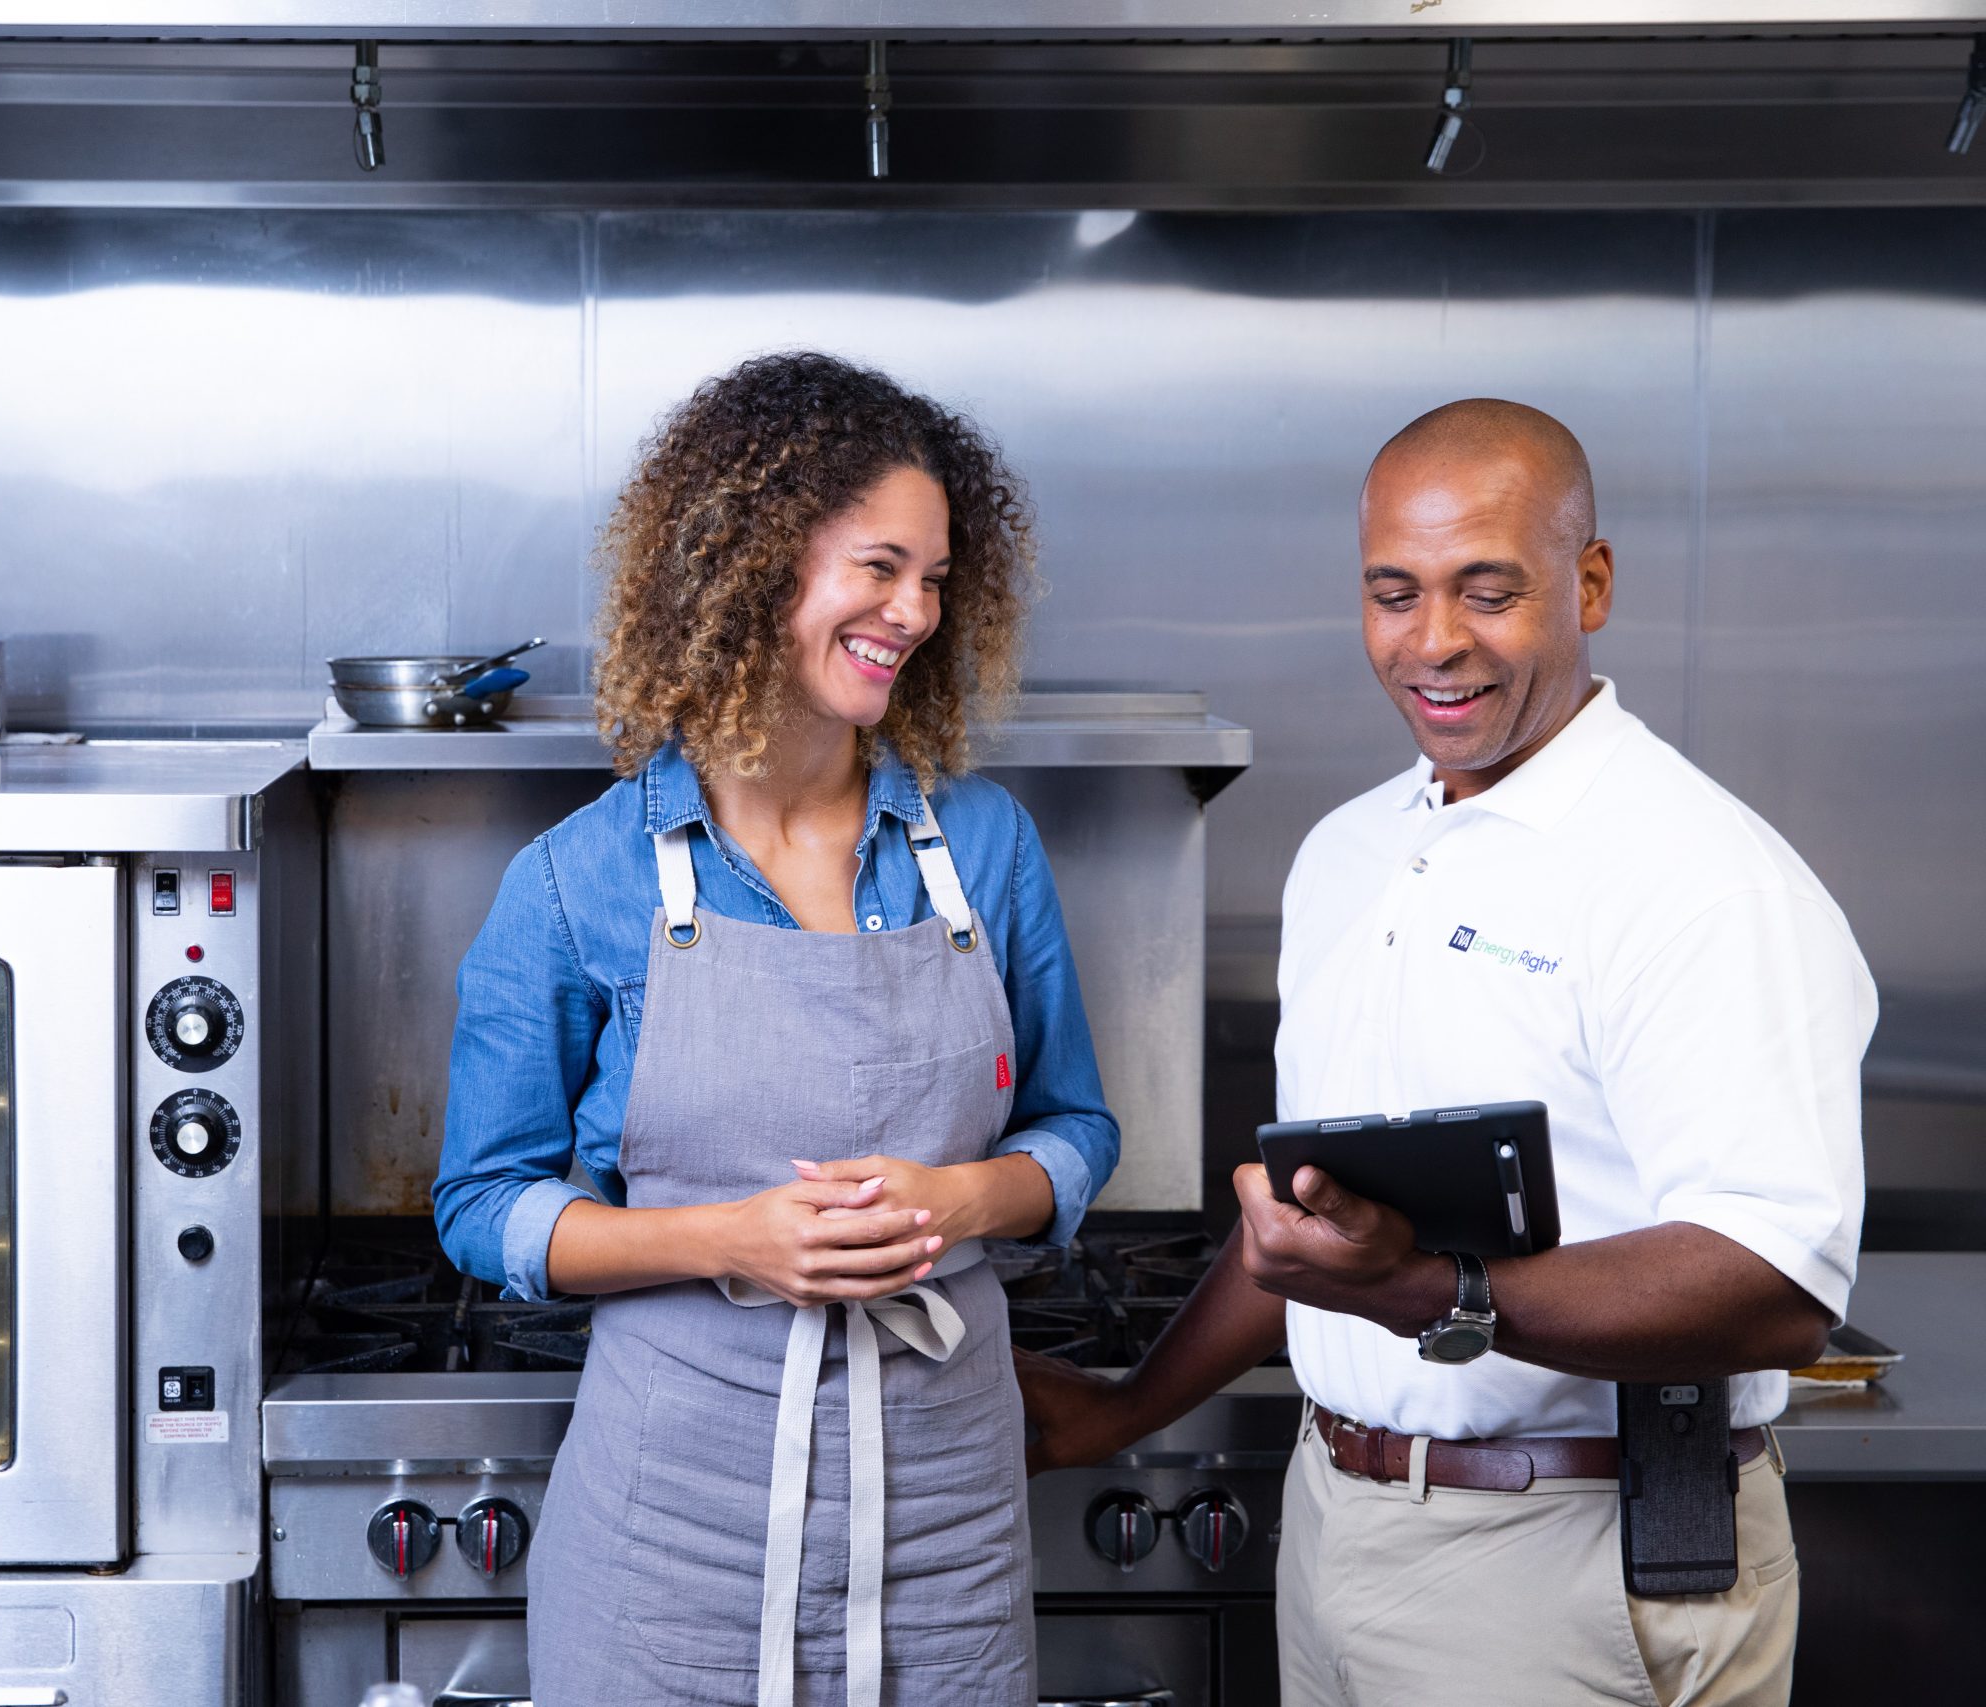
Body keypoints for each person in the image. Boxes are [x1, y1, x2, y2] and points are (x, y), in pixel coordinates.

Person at [1016, 399, 1872, 1707]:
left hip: (1575, 1561)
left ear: (1589, 582)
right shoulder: (1349, 856)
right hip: (1338, 1520)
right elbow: (1317, 1234)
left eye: (1489, 592)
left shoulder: (1699, 877)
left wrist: (1427, 1291)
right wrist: (1127, 1405)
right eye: (1395, 594)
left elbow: (1772, 1280)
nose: (1435, 644)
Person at [434, 351, 1119, 1707]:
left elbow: (1077, 1131)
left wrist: (966, 1196)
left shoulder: (979, 848)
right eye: (880, 567)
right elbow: (484, 1203)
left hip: (947, 1522)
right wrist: (729, 1238)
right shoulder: (584, 879)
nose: (914, 611)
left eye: (934, 578)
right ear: (755, 561)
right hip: (669, 1523)